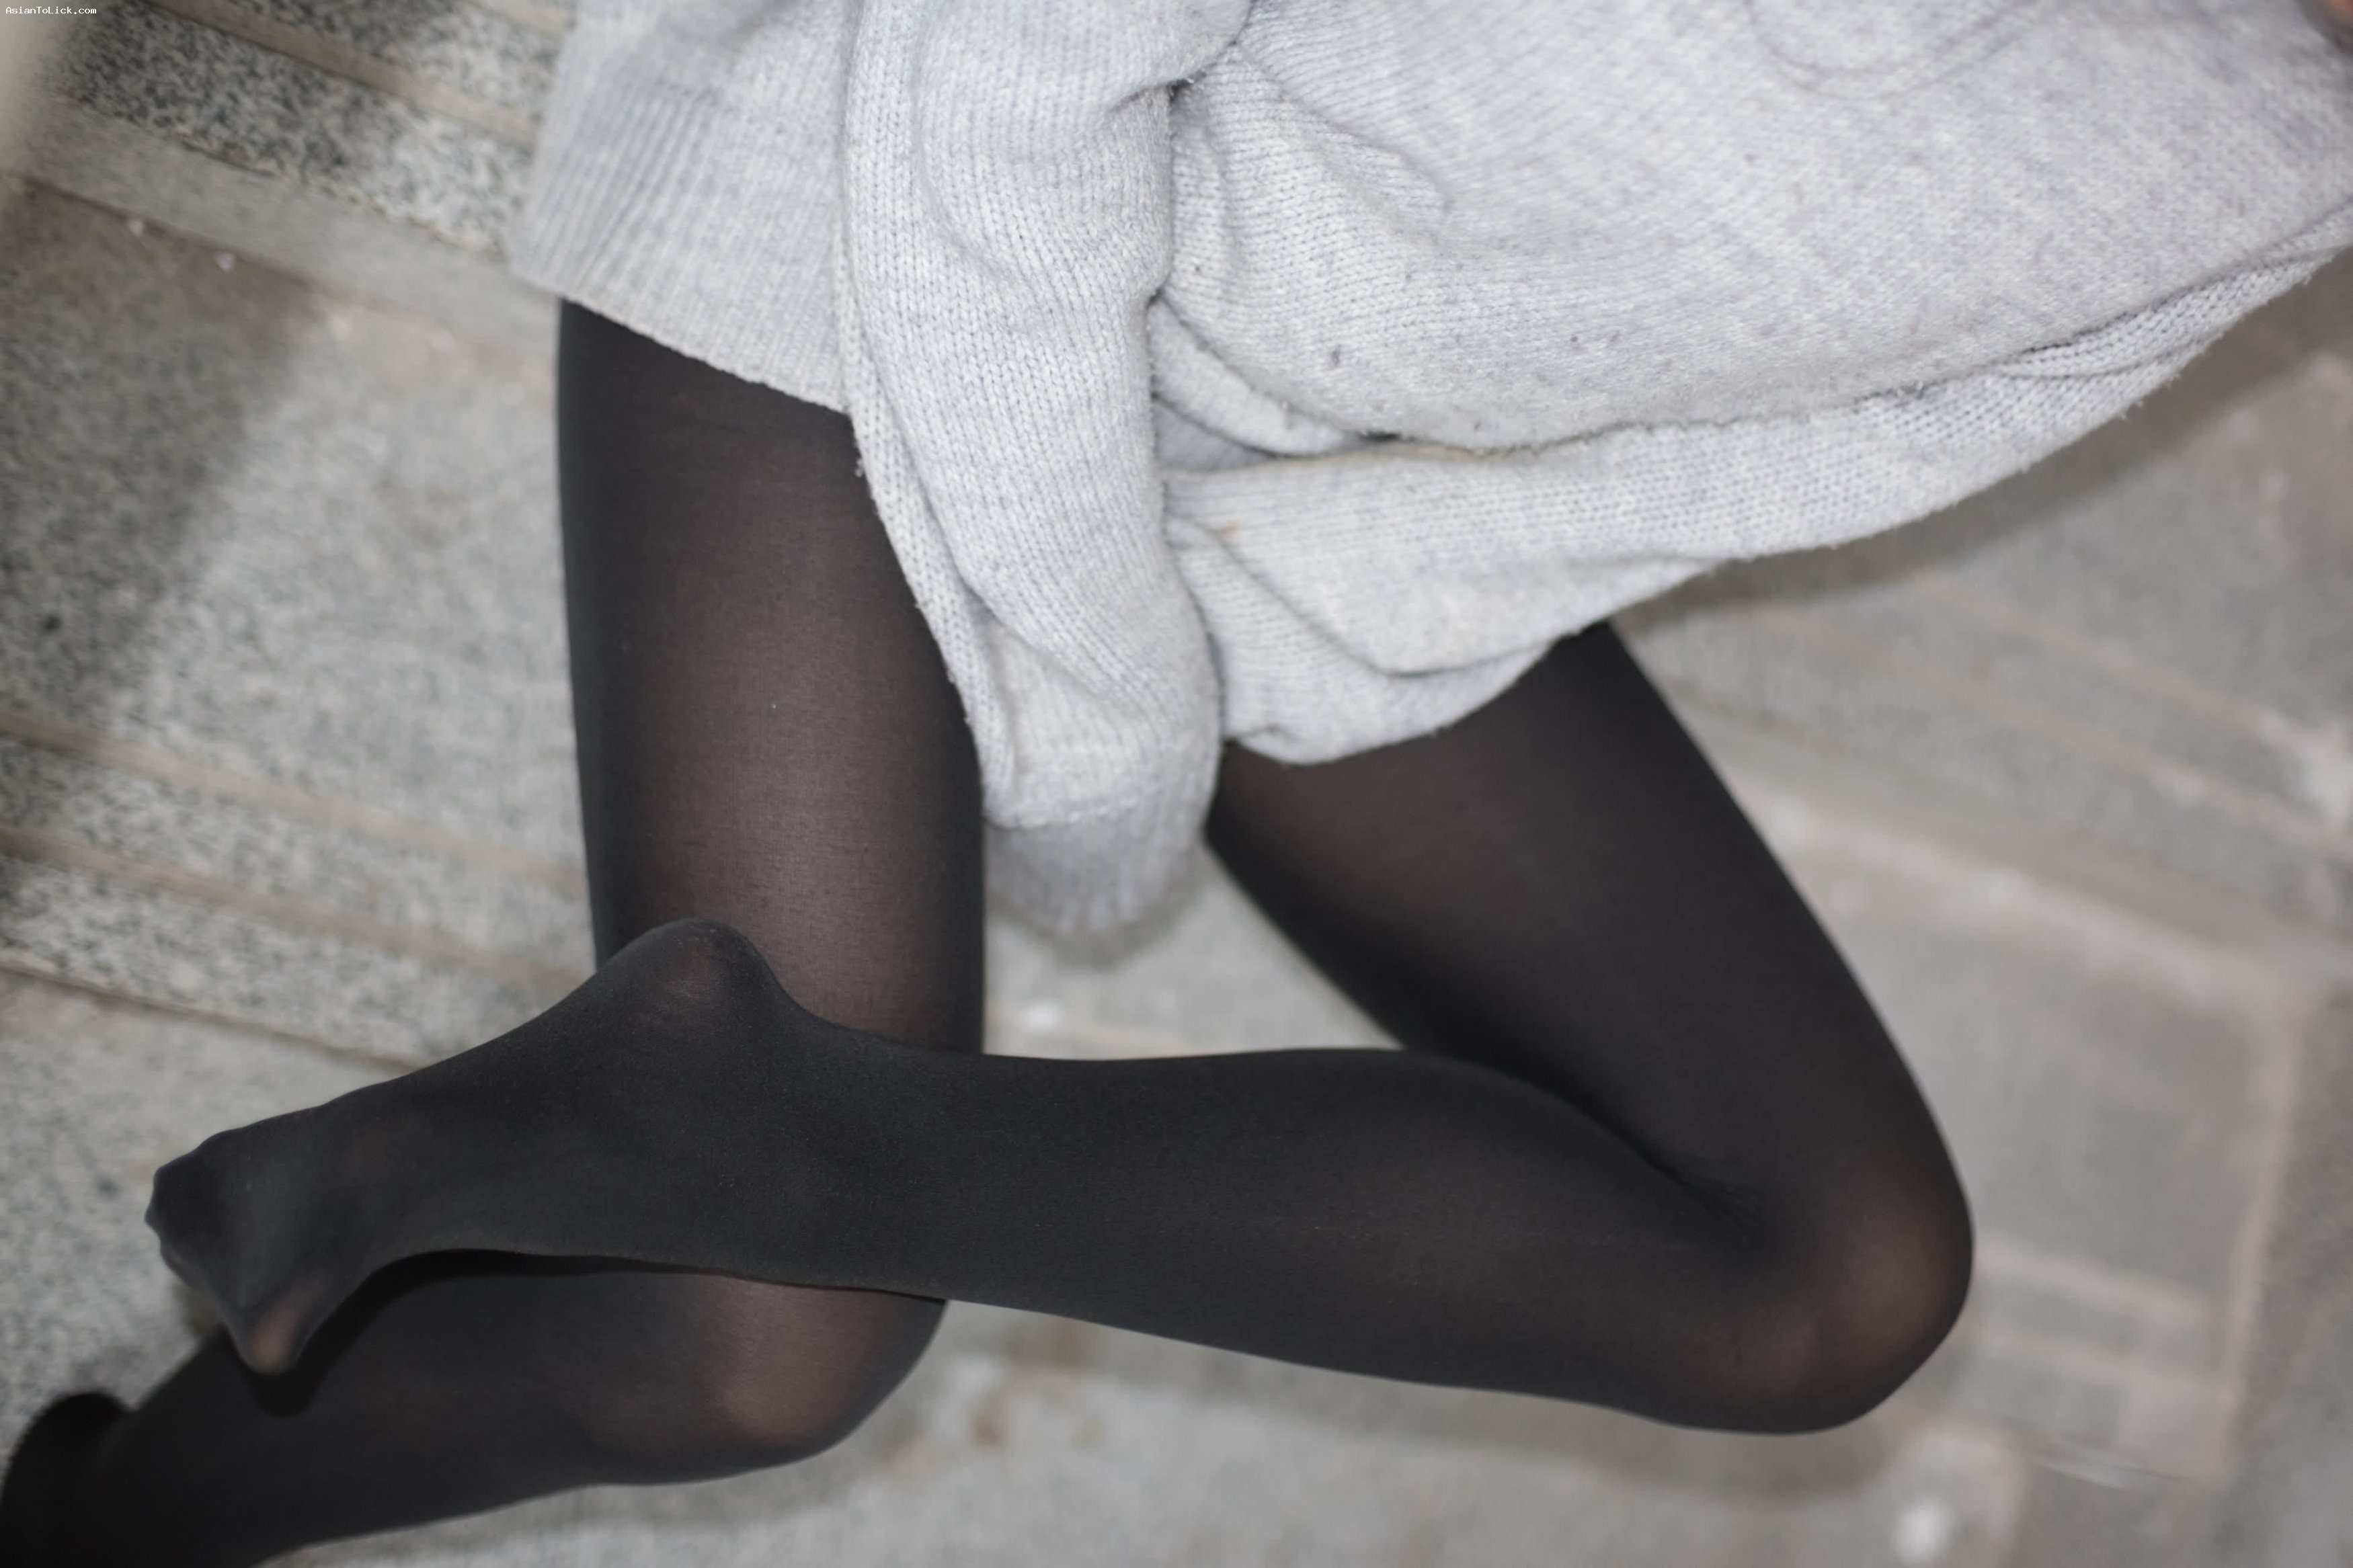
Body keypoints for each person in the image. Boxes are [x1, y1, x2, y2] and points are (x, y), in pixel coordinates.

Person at [5, 2, 2350, 1564]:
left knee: (1837, 1280)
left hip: (1257, 465)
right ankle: (95, 1530)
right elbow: (991, 63)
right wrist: (1107, 683)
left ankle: (740, 1108)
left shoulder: (2293, 138)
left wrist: (1261, 600)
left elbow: (1723, 462)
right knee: (753, 1341)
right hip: (877, 186)